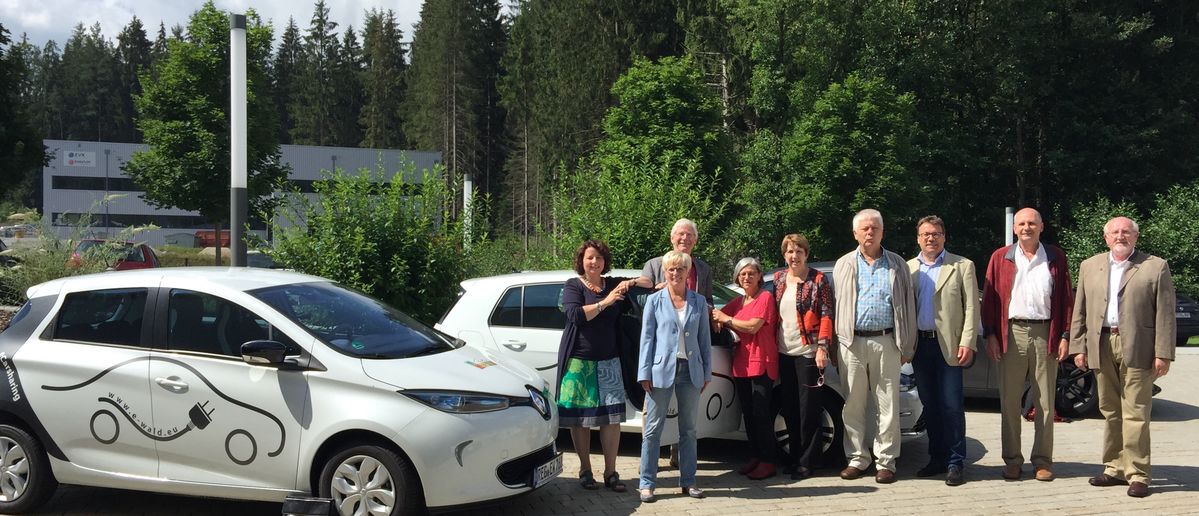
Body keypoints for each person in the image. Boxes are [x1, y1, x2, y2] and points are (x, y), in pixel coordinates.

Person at [1069, 216, 1175, 498]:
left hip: (1139, 346)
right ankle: (1114, 468)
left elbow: (1165, 313)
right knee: (1110, 409)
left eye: (1126, 231)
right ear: (1106, 237)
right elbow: (1080, 309)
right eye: (1114, 231)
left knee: (1136, 411)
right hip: (1101, 343)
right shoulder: (1089, 265)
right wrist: (1078, 346)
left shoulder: (1155, 266)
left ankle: (1138, 474)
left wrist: (1163, 353)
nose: (1120, 236)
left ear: (1136, 237)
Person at [981, 207, 1072, 482]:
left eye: (1032, 223)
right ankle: (1012, 460)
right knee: (1010, 401)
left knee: (1045, 402)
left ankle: (1042, 461)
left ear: (1041, 226)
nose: (1026, 228)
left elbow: (1066, 299)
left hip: (1046, 331)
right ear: (1014, 228)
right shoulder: (1000, 257)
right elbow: (990, 300)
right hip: (1011, 332)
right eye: (1021, 223)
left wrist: (1065, 334)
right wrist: (991, 334)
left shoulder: (1055, 256)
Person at [832, 209, 916, 484]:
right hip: (851, 342)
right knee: (853, 405)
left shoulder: (897, 264)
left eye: (875, 228)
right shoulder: (844, 264)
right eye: (865, 228)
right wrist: (835, 345)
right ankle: (857, 458)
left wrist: (907, 345)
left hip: (887, 341)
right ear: (855, 233)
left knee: (887, 405)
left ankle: (886, 461)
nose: (870, 232)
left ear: (882, 232)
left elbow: (908, 306)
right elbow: (835, 305)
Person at [555, 239, 639, 492]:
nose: (594, 262)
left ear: (605, 262)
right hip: (579, 363)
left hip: (609, 362)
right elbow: (575, 315)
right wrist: (606, 302)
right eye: (589, 257)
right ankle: (585, 469)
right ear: (581, 261)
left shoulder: (612, 283)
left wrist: (630, 283)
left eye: (599, 258)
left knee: (611, 420)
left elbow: (648, 282)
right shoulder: (573, 285)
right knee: (580, 420)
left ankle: (611, 472)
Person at [906, 216, 980, 486]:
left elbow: (972, 307)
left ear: (944, 237)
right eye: (926, 234)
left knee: (951, 405)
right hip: (920, 346)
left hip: (950, 346)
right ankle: (936, 458)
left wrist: (968, 342)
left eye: (936, 233)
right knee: (930, 405)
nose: (931, 238)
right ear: (918, 238)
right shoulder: (908, 268)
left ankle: (955, 461)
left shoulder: (962, 265)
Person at [637, 250, 713, 503]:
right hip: (660, 371)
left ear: (688, 272)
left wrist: (706, 372)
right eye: (671, 269)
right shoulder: (654, 301)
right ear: (665, 272)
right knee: (652, 430)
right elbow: (647, 339)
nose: (675, 273)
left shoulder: (698, 302)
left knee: (689, 430)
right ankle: (647, 483)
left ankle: (688, 481)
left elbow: (704, 340)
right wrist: (644, 372)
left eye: (681, 269)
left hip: (690, 371)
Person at [773, 233, 834, 480]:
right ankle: (795, 458)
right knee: (789, 409)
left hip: (808, 353)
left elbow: (827, 314)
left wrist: (823, 347)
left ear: (806, 254)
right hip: (783, 352)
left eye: (799, 251)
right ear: (784, 255)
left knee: (809, 410)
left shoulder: (818, 279)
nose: (794, 256)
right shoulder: (778, 279)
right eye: (790, 251)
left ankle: (809, 462)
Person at [712, 257, 779, 480]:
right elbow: (717, 315)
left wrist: (726, 319)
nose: (747, 277)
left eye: (751, 273)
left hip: (762, 362)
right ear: (737, 278)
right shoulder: (739, 301)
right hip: (742, 363)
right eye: (742, 274)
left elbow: (752, 327)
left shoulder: (765, 297)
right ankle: (756, 456)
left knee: (761, 413)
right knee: (748, 414)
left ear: (759, 276)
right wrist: (716, 319)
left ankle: (768, 461)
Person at [640, 218, 714, 309]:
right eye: (681, 234)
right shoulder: (653, 265)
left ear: (695, 240)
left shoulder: (704, 268)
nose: (685, 238)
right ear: (672, 238)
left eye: (689, 235)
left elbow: (709, 301)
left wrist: (705, 309)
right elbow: (642, 299)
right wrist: (657, 290)